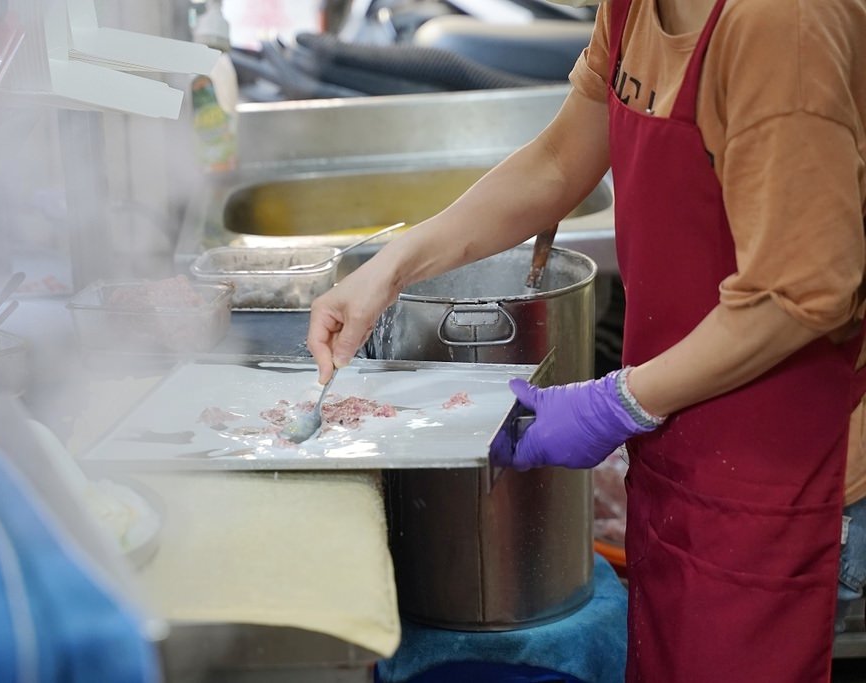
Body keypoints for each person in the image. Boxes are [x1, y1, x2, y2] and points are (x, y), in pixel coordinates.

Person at [304, 0, 866, 680]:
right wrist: (389, 270)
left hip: (784, 475)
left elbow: (798, 296)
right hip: (681, 449)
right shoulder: (632, 8)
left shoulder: (781, 25)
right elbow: (558, 160)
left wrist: (614, 402)